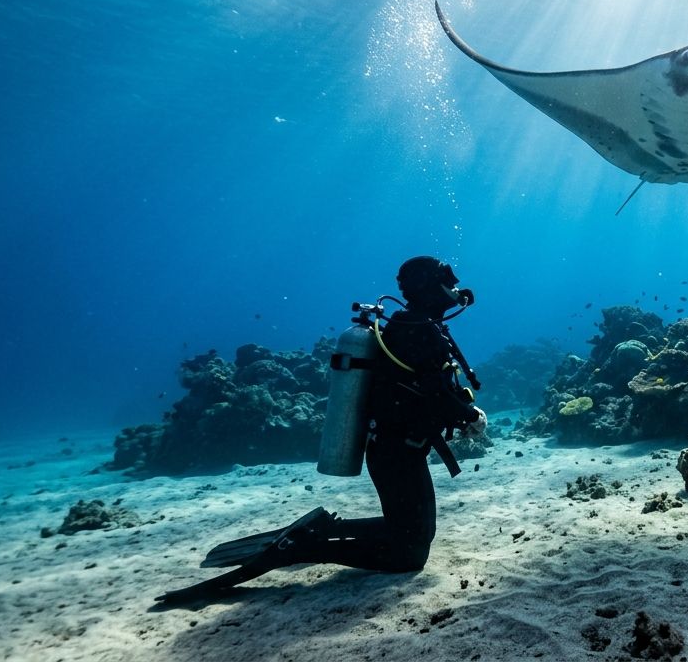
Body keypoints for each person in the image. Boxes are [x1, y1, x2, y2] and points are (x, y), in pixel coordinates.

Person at [157, 256, 486, 603]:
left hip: (396, 449)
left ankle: (324, 531)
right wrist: (468, 417)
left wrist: (461, 411)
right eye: (447, 278)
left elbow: (423, 387)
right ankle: (303, 546)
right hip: (397, 452)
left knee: (410, 532)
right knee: (410, 553)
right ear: (428, 285)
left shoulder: (415, 326)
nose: (455, 286)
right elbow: (435, 392)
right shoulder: (417, 329)